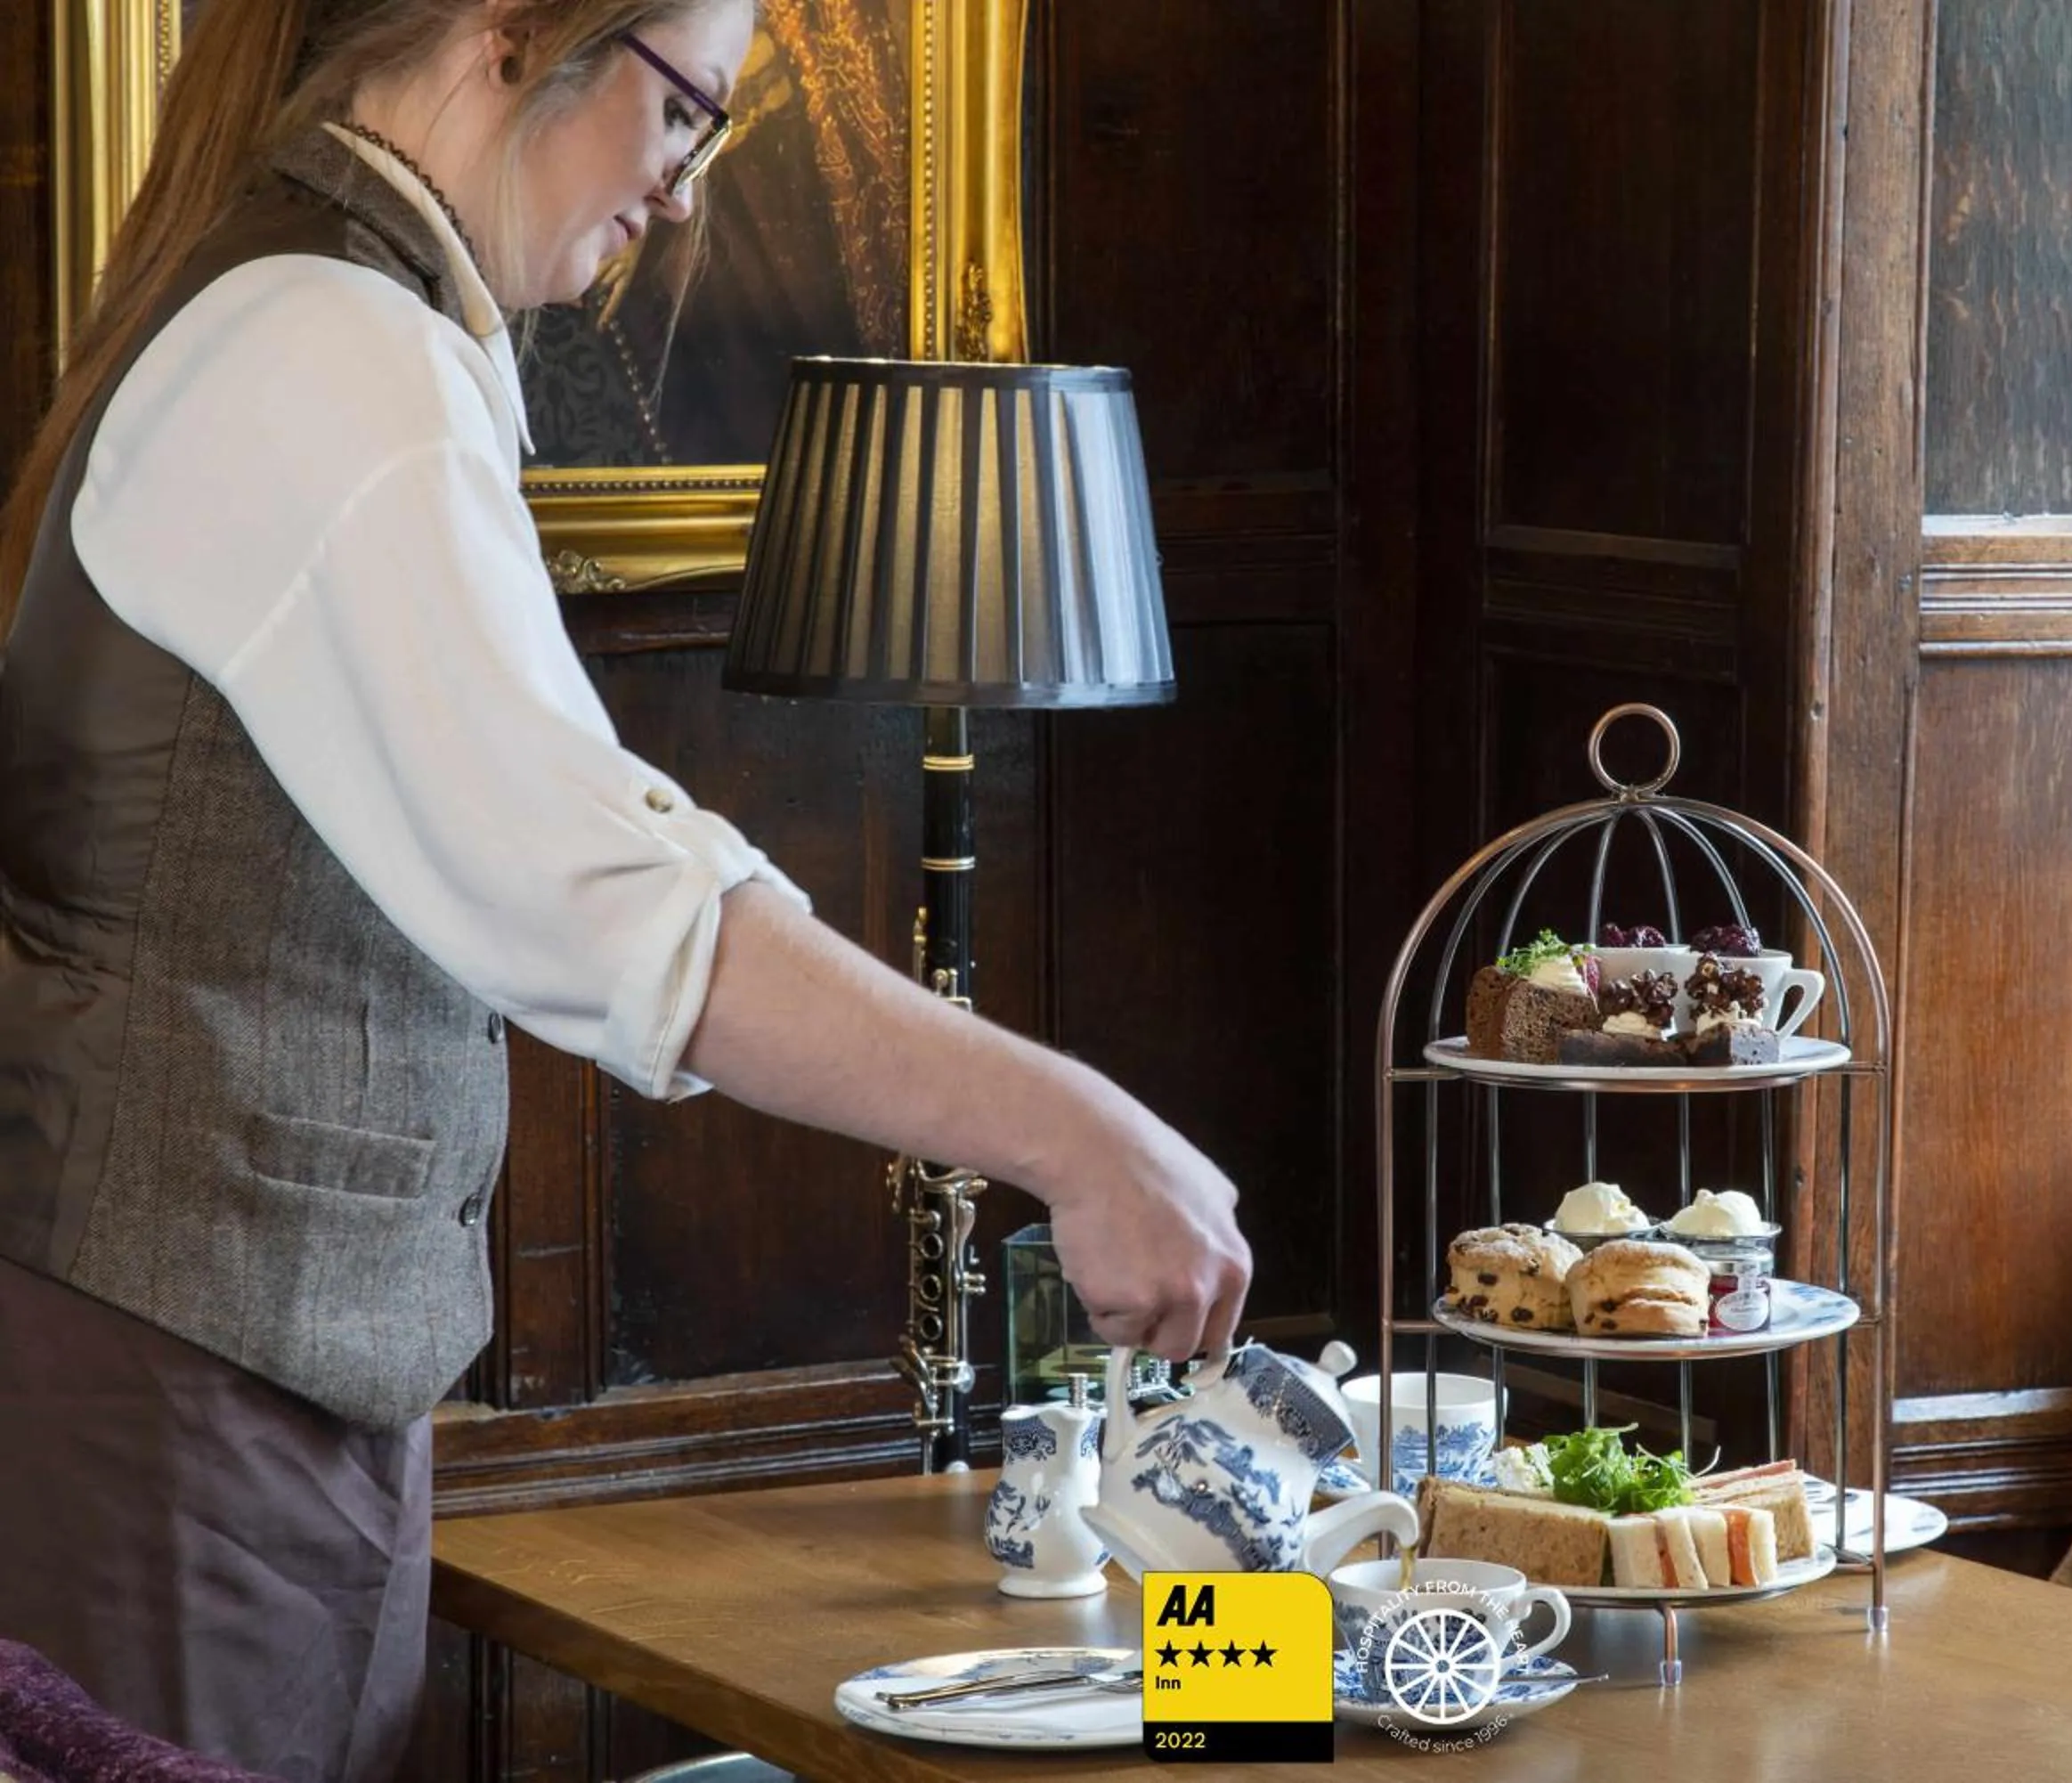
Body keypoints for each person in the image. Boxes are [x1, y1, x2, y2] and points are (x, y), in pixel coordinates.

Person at [0, 3, 1251, 1778]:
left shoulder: (326, 314)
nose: (678, 195)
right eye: (684, 119)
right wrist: (1079, 1131)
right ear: (519, 37)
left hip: (228, 1394)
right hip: (170, 1413)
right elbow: (621, 910)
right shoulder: (324, 352)